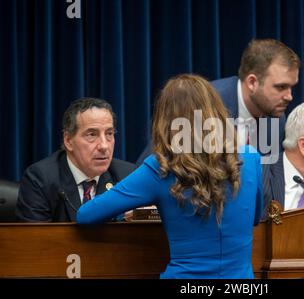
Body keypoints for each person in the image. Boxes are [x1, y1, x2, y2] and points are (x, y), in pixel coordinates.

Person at [77, 74, 264, 279]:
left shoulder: (162, 167)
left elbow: (86, 215)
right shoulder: (251, 158)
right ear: (217, 112)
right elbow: (255, 218)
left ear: (165, 120)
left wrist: (130, 212)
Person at [136, 38, 300, 165]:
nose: (289, 96)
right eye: (281, 87)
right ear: (252, 82)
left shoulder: (277, 118)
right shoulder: (202, 105)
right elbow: (154, 161)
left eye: (292, 87)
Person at [16, 98, 136, 222]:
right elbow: (35, 239)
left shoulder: (127, 175)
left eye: (109, 133)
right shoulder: (40, 179)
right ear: (68, 141)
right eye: (92, 134)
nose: (104, 146)